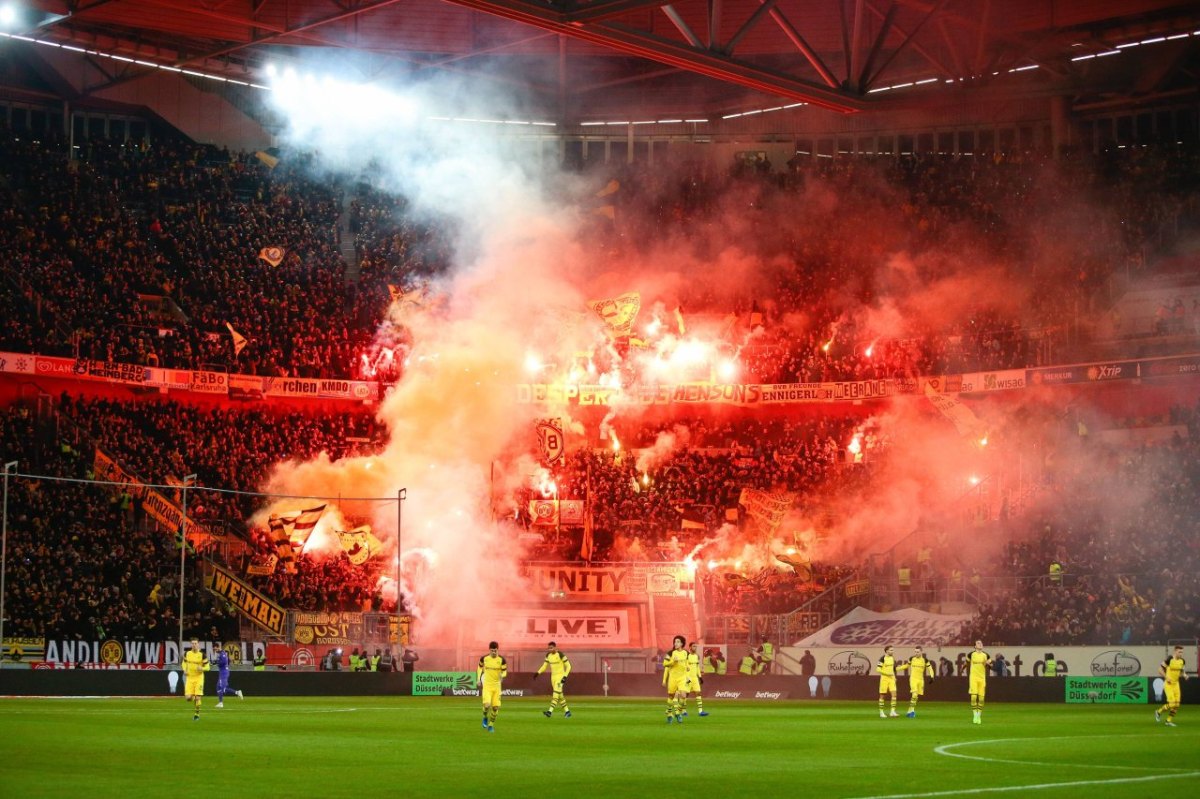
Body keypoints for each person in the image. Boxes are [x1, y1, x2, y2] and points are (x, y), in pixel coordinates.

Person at [534, 640, 572, 718]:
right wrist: (538, 673)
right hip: (553, 677)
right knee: (560, 696)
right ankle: (567, 712)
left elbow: (568, 666)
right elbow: (544, 666)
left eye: (551, 648)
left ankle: (549, 712)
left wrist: (565, 676)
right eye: (548, 648)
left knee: (555, 695)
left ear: (555, 647)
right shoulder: (548, 655)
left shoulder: (560, 654)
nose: (550, 650)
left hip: (560, 677)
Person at [477, 641, 507, 733]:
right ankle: (485, 717)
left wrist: (503, 675)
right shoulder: (484, 658)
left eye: (495, 650)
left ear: (498, 650)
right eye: (492, 650)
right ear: (489, 650)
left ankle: (491, 725)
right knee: (486, 706)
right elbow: (479, 668)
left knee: (495, 708)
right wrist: (478, 679)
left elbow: (505, 671)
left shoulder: (502, 660)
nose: (494, 652)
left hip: (497, 687)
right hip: (487, 686)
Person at [1155, 645, 1188, 727]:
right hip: (1168, 684)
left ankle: (1168, 721)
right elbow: (1159, 669)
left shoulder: (1182, 661)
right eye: (1179, 652)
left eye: (1182, 652)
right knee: (1172, 703)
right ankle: (1158, 712)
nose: (1181, 654)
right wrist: (1166, 677)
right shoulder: (1169, 659)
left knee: (1177, 704)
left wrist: (1184, 675)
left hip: (1176, 684)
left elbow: (1182, 671)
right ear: (1175, 651)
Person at [662, 634, 689, 723]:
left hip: (682, 677)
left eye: (678, 642)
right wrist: (673, 661)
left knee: (683, 696)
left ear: (682, 644)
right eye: (675, 642)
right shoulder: (670, 653)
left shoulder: (686, 653)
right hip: (673, 677)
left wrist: (688, 668)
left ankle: (678, 712)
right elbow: (665, 664)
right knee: (671, 696)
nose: (675, 643)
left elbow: (686, 663)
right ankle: (670, 713)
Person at [900, 645, 934, 718]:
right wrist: (896, 669)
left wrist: (932, 676)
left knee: (915, 696)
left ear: (921, 652)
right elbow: (906, 666)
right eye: (915, 652)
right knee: (914, 694)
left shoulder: (925, 660)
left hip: (920, 680)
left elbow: (930, 668)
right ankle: (912, 711)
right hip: (913, 679)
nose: (916, 653)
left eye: (918, 652)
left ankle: (910, 711)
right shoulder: (912, 659)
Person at [181, 637, 209, 721]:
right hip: (189, 678)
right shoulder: (187, 653)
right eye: (192, 643)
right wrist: (184, 670)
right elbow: (184, 663)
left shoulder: (202, 655)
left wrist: (202, 668)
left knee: (198, 698)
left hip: (199, 678)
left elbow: (208, 667)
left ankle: (197, 714)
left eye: (195, 643)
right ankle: (194, 697)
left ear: (198, 644)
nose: (194, 645)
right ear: (191, 644)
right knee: (188, 698)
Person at [969, 640, 994, 725]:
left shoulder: (985, 655)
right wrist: (962, 668)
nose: (980, 644)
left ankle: (979, 715)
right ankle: (975, 715)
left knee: (981, 699)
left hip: (982, 679)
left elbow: (991, 665)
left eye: (981, 643)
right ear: (975, 646)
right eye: (978, 643)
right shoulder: (971, 654)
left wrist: (988, 663)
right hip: (973, 678)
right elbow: (966, 662)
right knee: (973, 697)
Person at [213, 642, 244, 707]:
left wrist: (217, 663)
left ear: (219, 647)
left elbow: (224, 662)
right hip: (222, 672)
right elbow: (228, 661)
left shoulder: (222, 653)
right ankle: (236, 693)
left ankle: (236, 693)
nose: (215, 650)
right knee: (219, 687)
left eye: (216, 649)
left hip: (224, 673)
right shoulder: (221, 654)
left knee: (222, 688)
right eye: (214, 649)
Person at [684, 641, 708, 717]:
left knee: (698, 693)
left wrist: (700, 677)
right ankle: (683, 711)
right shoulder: (686, 656)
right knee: (686, 694)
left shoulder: (696, 656)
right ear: (690, 647)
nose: (695, 648)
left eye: (696, 646)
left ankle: (700, 711)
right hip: (688, 678)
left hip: (695, 678)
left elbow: (697, 667)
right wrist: (686, 678)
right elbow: (684, 667)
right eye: (694, 646)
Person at [876, 645, 899, 718]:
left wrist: (894, 677)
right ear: (886, 651)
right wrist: (887, 674)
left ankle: (892, 711)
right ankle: (881, 712)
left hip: (891, 679)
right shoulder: (882, 658)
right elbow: (878, 669)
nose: (892, 651)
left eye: (893, 650)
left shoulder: (892, 658)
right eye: (891, 650)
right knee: (882, 695)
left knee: (894, 694)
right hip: (884, 679)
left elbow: (893, 669)